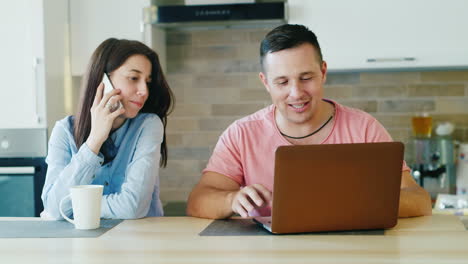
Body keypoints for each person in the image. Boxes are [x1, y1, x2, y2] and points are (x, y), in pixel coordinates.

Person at [186, 24, 432, 219]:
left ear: (323, 72)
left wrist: (350, 202)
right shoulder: (241, 134)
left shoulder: (363, 127)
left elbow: (419, 201)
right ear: (265, 82)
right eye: (282, 82)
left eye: (306, 78)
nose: (296, 93)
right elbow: (198, 201)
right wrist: (232, 200)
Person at [41, 38, 174, 219]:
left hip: (138, 242)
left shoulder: (148, 125)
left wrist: (75, 205)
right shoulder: (64, 131)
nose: (144, 90)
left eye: (147, 82)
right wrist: (94, 141)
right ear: (103, 80)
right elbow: (53, 208)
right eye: (133, 78)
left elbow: (132, 207)